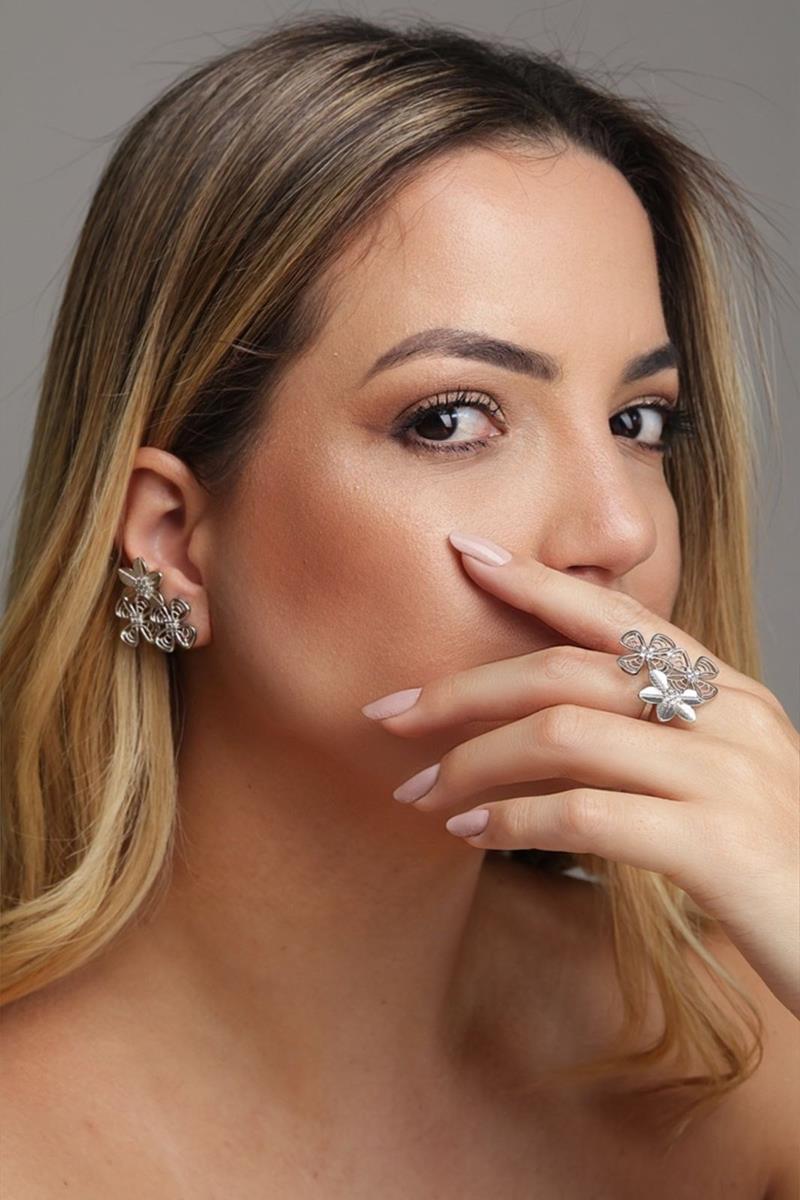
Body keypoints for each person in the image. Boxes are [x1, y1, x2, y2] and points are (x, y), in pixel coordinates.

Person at [1, 13, 797, 1196]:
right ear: (171, 541)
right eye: (450, 419)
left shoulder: (750, 1055)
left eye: (638, 423)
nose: (616, 533)